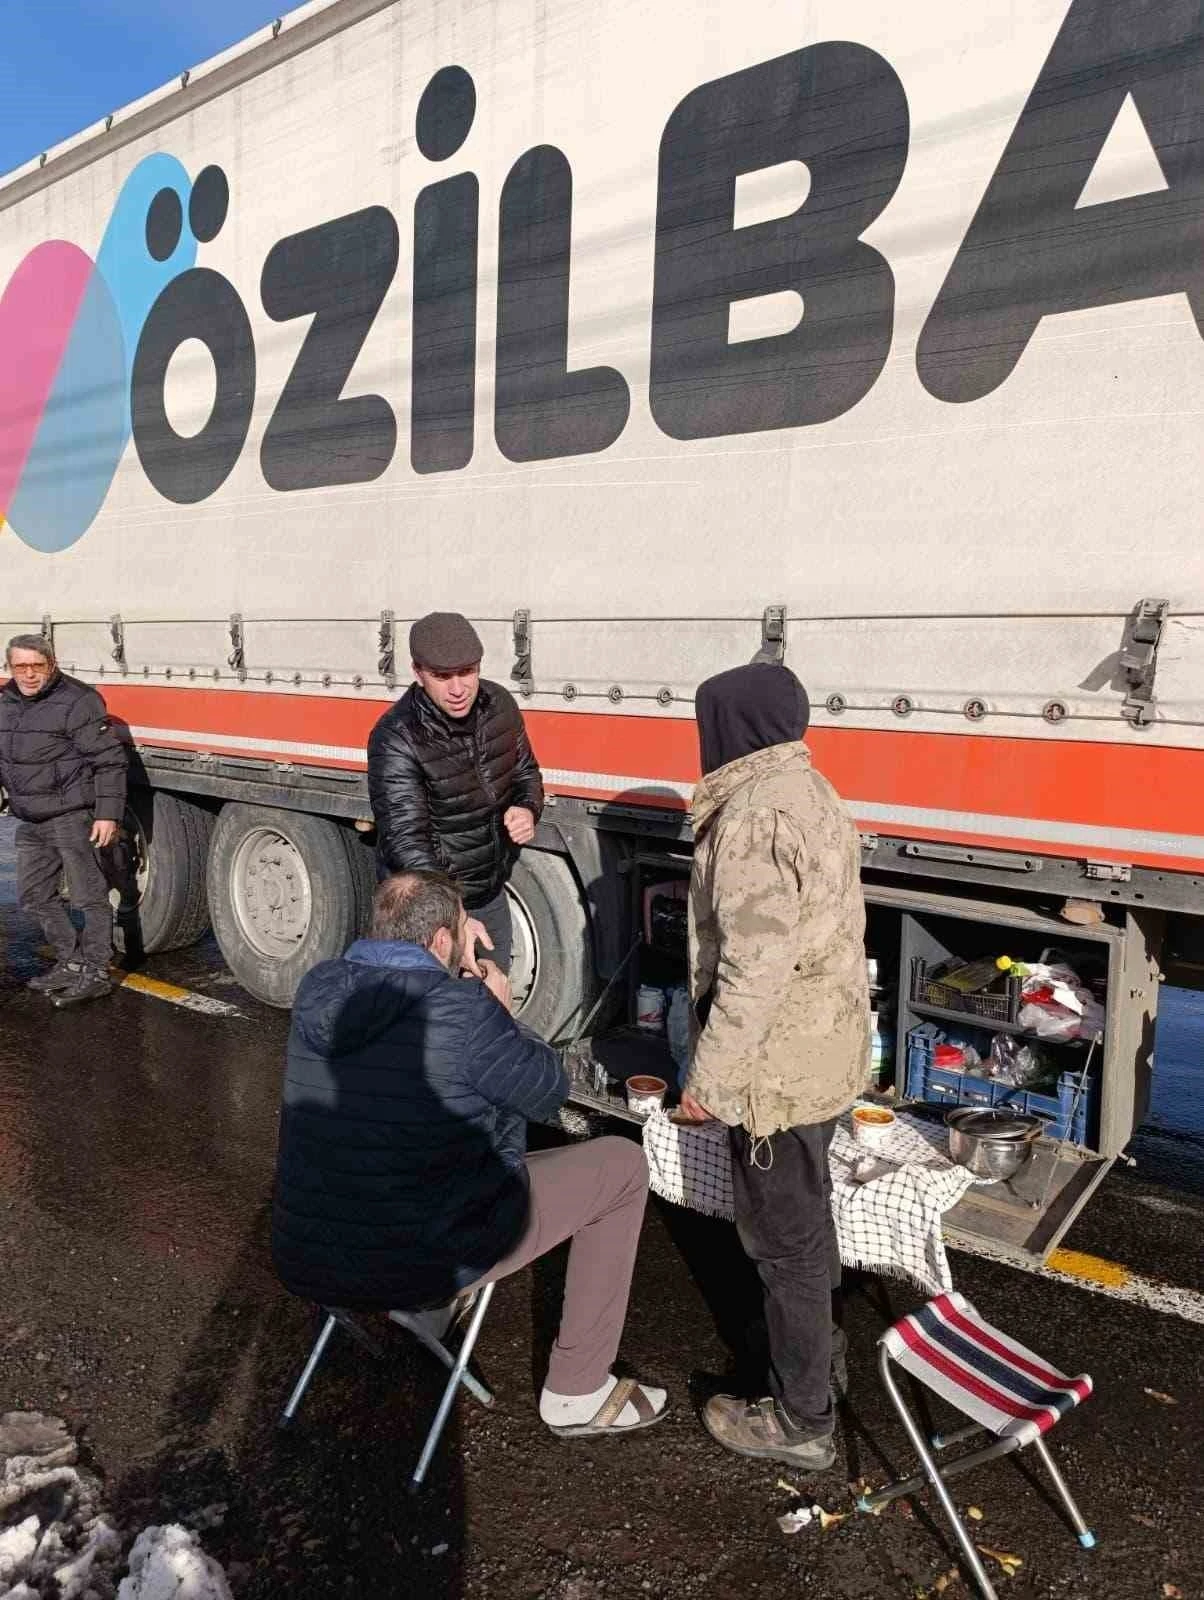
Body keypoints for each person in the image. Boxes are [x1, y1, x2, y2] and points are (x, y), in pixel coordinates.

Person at [271, 869, 667, 1437]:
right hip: (420, 1262)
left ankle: (430, 1313)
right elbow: (547, 1090)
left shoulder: (319, 987)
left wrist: (452, 954)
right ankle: (577, 1391)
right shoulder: (465, 1011)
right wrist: (502, 1014)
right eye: (462, 927)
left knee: (404, 1151)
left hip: (309, 1258)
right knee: (621, 1166)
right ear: (440, 941)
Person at [678, 661, 869, 1471]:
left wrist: (708, 1082)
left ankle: (801, 1419)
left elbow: (753, 969)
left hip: (777, 1071)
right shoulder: (812, 789)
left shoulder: (754, 815)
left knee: (784, 1243)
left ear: (731, 728)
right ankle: (816, 1356)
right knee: (808, 1223)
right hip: (823, 1050)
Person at [366, 612, 543, 974]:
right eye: (442, 676)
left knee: (493, 993)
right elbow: (406, 842)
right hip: (425, 912)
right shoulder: (396, 737)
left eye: (467, 672)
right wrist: (455, 917)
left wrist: (527, 807)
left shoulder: (500, 705)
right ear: (418, 674)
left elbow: (527, 773)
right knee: (434, 1005)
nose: (458, 689)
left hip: (489, 893)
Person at [0, 634, 127, 1006]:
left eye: (36, 666)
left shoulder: (78, 700)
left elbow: (109, 762)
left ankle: (97, 972)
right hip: (30, 818)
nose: (29, 674)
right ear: (9, 667)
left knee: (89, 898)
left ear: (51, 664)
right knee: (34, 896)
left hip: (72, 816)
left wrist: (107, 814)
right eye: (20, 666)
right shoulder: (5, 702)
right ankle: (70, 962)